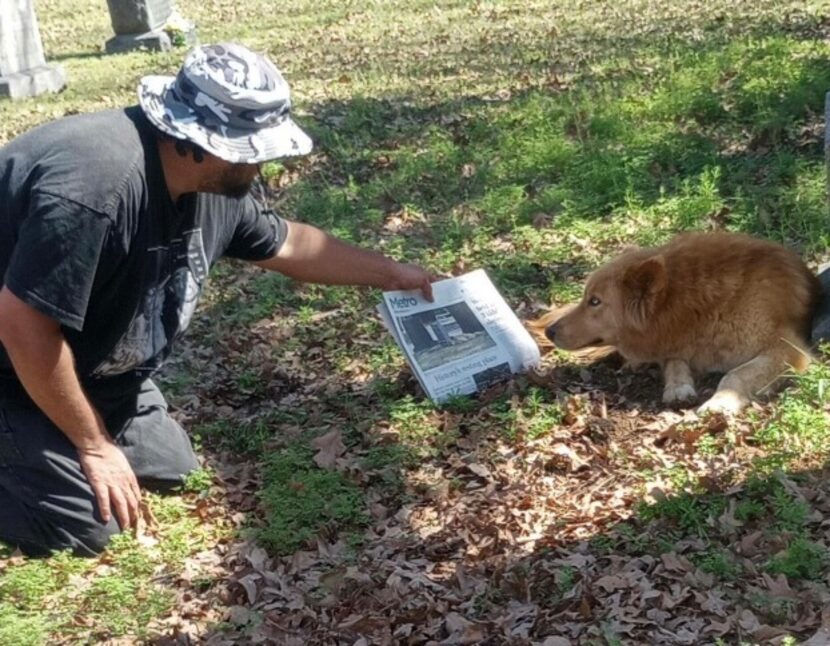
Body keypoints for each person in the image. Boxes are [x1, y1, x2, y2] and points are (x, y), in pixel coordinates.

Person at [0, 42, 433, 557]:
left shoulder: (209, 186)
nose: (265, 161)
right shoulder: (95, 190)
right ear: (197, 142)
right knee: (90, 529)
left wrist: (392, 274)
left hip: (94, 371)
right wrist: (94, 447)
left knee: (173, 469)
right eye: (253, 149)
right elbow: (23, 324)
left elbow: (290, 244)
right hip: (13, 367)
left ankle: (75, 424)